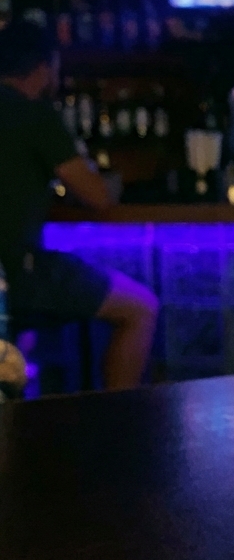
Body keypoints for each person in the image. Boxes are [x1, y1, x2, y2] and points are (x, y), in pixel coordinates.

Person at [0, 20, 158, 390]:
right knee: (141, 309)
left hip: (10, 279)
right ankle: (117, 420)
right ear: (45, 67)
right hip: (17, 272)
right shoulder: (33, 114)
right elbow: (97, 196)